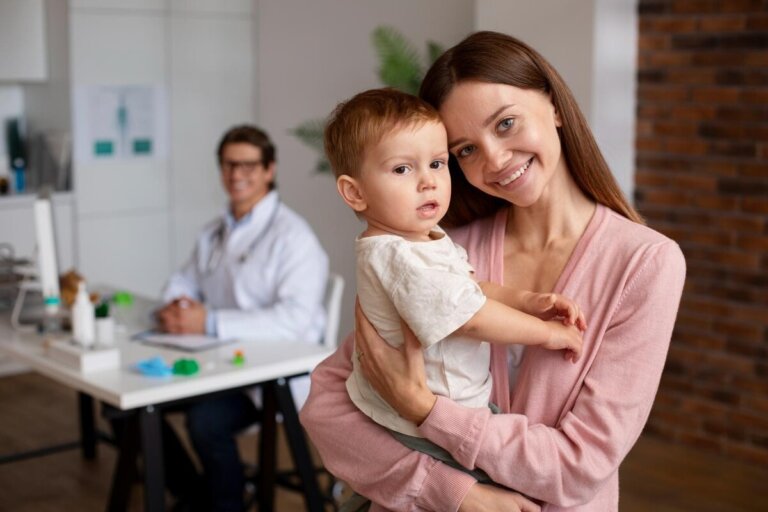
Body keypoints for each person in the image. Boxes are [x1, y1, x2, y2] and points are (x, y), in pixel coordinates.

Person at [300, 31, 686, 512]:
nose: (495, 160)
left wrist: (423, 409)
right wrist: (455, 494)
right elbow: (328, 408)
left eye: (505, 124)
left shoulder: (644, 264)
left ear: (554, 104)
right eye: (465, 150)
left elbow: (578, 466)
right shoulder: (437, 253)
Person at [324, 88, 585, 451]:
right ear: (355, 193)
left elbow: (470, 290)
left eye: (437, 163)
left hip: (449, 411)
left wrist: (528, 300)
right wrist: (548, 334)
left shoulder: (423, 240)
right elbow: (471, 317)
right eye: (402, 168)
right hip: (424, 429)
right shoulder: (398, 257)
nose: (428, 180)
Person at [155, 124, 329, 511]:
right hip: (216, 361)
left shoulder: (294, 237)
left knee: (205, 423)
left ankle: (226, 503)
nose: (237, 175)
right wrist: (177, 305)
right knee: (128, 410)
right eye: (229, 165)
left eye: (248, 165)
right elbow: (186, 277)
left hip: (267, 376)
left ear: (269, 170)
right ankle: (197, 495)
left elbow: (294, 321)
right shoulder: (216, 230)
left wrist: (210, 322)